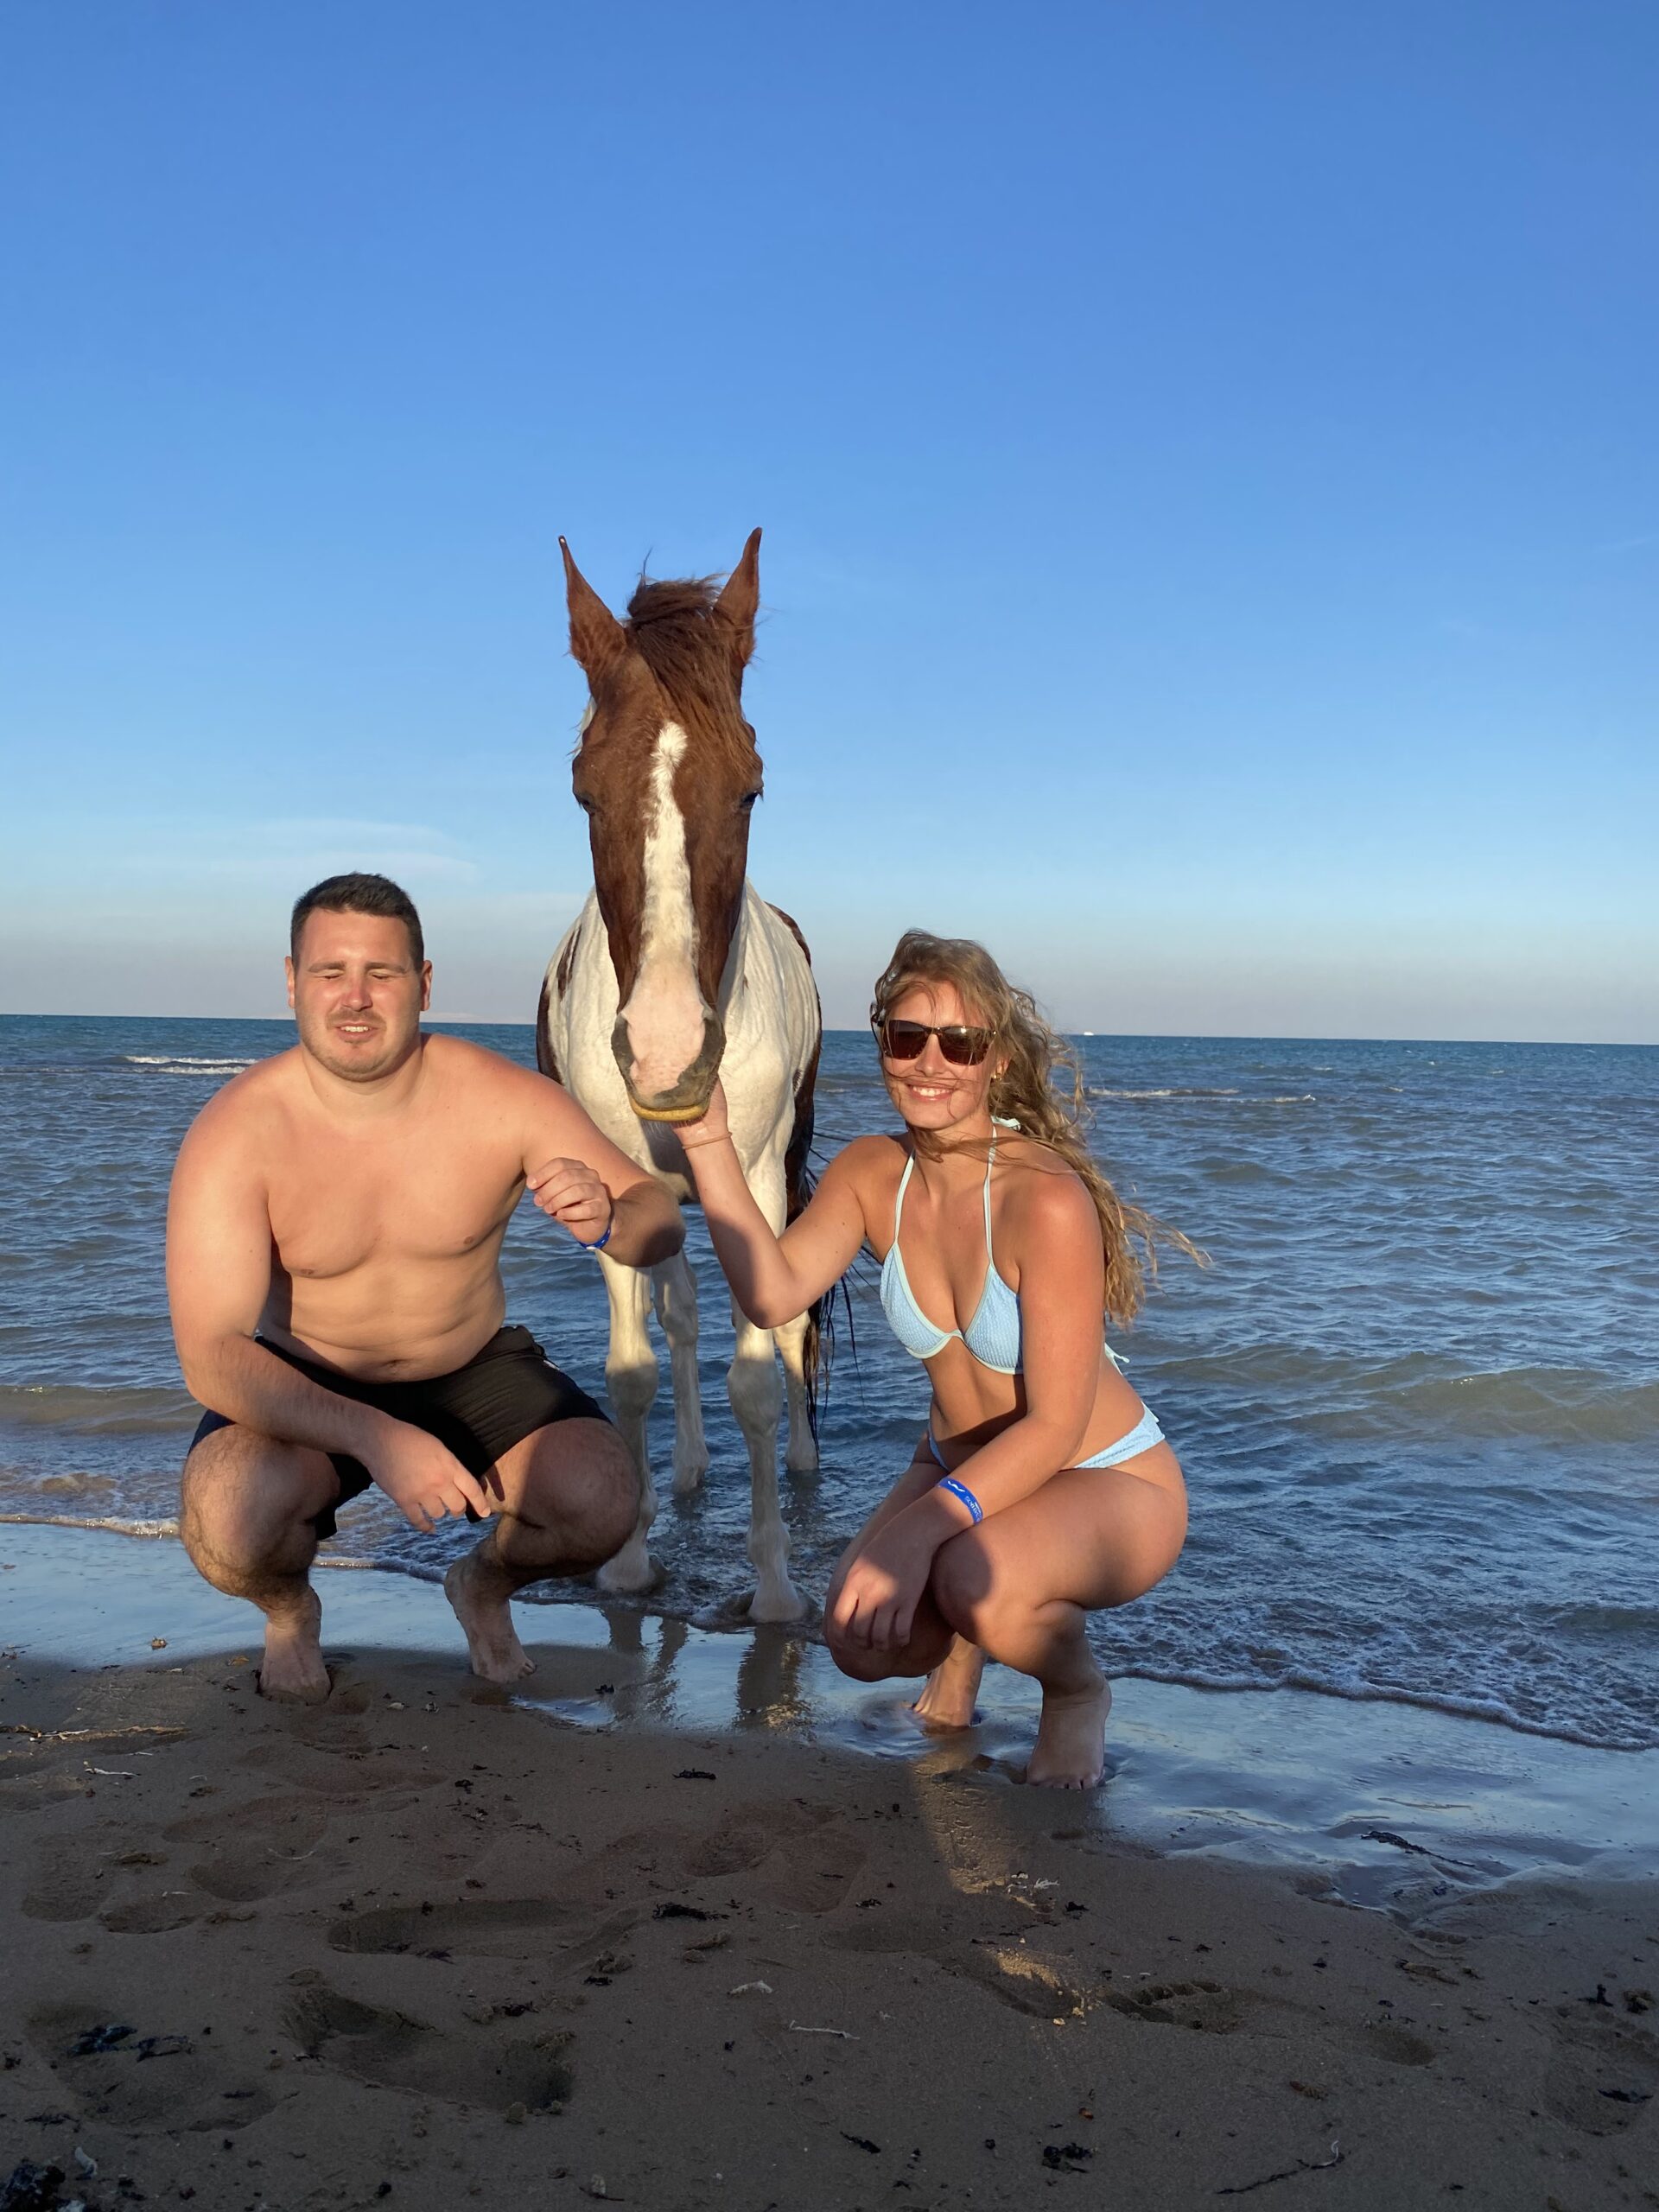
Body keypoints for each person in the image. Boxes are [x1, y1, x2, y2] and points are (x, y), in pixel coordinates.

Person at [677, 930, 1189, 1788]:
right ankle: (960, 1651)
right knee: (858, 1639)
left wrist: (921, 1528)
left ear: (997, 1058)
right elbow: (771, 1295)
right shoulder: (873, 1172)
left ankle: (1076, 1692)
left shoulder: (1043, 1198)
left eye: (960, 1044)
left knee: (972, 1577)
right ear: (881, 1039)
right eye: (907, 1036)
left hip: (1104, 1474)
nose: (929, 1063)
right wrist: (708, 1139)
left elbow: (1058, 1425)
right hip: (959, 1466)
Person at [168, 872, 683, 1703]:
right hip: (311, 1373)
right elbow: (211, 1355)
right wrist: (377, 1435)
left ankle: (481, 1584)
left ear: (425, 983)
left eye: (383, 972)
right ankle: (290, 1611)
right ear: (292, 981)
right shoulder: (238, 1131)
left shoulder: (503, 1099)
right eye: (330, 972)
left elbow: (658, 1215)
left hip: (470, 1365)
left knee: (603, 1502)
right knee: (228, 1523)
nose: (355, 997)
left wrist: (611, 1217)